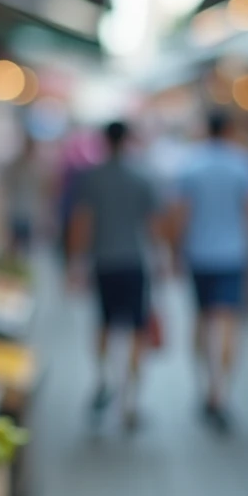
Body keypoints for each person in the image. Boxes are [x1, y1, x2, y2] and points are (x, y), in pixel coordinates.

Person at [173, 109, 248, 433]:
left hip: (199, 254)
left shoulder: (190, 165)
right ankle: (223, 392)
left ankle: (206, 385)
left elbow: (180, 214)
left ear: (207, 130)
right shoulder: (243, 164)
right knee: (229, 322)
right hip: (233, 255)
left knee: (202, 320)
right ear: (230, 129)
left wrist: (174, 252)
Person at [66, 121, 167, 430]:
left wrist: (76, 263)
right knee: (137, 330)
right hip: (135, 261)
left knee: (104, 323)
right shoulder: (143, 176)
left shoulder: (92, 178)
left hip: (104, 262)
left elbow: (83, 222)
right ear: (127, 140)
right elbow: (153, 224)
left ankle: (104, 378)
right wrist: (162, 258)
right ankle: (131, 401)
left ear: (105, 141)